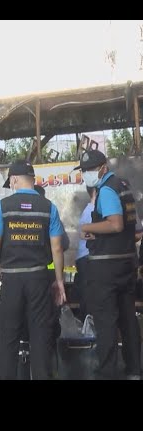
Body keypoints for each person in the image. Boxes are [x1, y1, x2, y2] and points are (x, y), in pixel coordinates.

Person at [0, 160, 66, 380]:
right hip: (38, 279)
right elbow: (57, 247)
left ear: (14, 179)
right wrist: (59, 281)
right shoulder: (49, 207)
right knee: (40, 337)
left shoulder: (3, 206)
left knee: (8, 339)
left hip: (12, 281)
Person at [76, 150, 141, 380]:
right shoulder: (123, 186)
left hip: (106, 270)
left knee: (106, 322)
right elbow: (128, 231)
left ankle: (108, 373)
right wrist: (99, 235)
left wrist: (87, 229)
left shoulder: (107, 189)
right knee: (128, 318)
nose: (85, 174)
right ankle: (134, 370)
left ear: (102, 168)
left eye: (88, 170)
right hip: (125, 263)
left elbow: (115, 224)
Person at [75, 187, 96, 319]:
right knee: (90, 298)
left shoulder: (91, 210)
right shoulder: (91, 211)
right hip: (87, 258)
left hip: (87, 259)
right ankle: (89, 331)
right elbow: (84, 234)